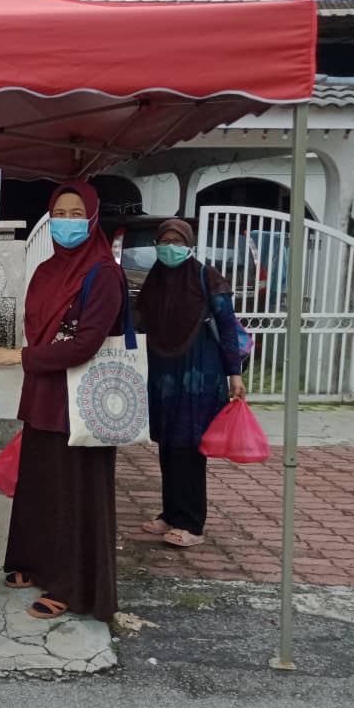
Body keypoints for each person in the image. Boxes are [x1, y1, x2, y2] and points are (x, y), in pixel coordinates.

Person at [0, 181, 125, 622]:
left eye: (76, 213)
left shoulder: (104, 274)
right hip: (44, 393)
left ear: (93, 217)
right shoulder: (45, 269)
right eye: (59, 213)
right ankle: (33, 562)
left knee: (73, 494)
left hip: (82, 399)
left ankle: (71, 585)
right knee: (40, 486)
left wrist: (15, 356)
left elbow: (84, 345)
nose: (66, 222)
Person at [137, 219, 246, 548]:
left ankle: (192, 523)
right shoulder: (154, 280)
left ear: (189, 244)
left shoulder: (207, 277)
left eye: (176, 240)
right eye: (164, 240)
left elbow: (228, 328)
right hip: (163, 375)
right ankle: (170, 513)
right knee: (168, 446)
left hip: (199, 375)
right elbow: (139, 320)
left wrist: (235, 374)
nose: (170, 246)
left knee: (190, 447)